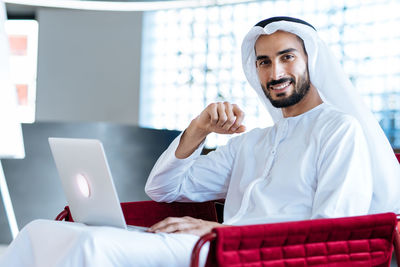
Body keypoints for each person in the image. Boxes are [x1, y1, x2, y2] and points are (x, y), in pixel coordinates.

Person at [1, 16, 399, 267]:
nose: (275, 71)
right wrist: (197, 129)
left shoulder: (339, 130)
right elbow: (163, 187)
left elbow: (332, 230)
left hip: (242, 253)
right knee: (44, 232)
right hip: (215, 244)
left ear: (311, 60)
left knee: (94, 250)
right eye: (263, 61)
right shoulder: (253, 142)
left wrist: (217, 233)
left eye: (287, 57)